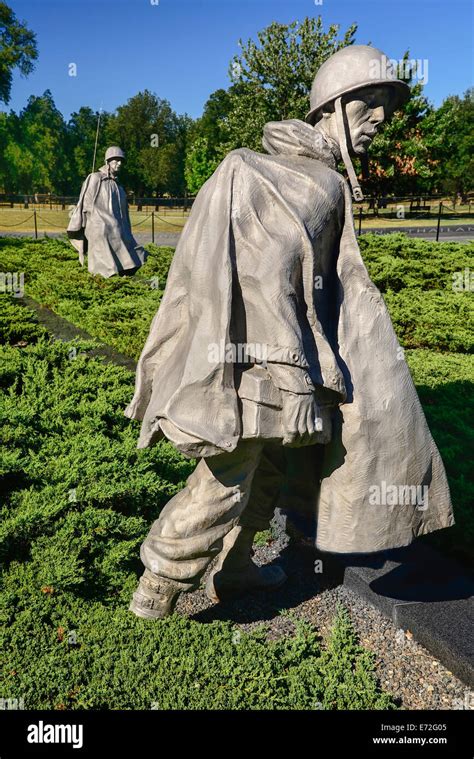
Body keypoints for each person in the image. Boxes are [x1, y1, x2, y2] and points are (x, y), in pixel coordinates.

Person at [125, 46, 454, 620]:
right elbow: (265, 279)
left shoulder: (296, 173)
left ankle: (238, 566)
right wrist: (298, 381)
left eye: (384, 107)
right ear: (335, 105)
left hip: (272, 361)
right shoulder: (306, 182)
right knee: (228, 476)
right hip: (269, 368)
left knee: (269, 470)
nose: (381, 120)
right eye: (370, 105)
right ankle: (159, 582)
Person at [67, 146, 147, 278]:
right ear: (107, 162)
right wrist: (100, 219)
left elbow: (123, 214)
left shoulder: (118, 186)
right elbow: (86, 203)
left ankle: (127, 267)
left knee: (123, 235)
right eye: (116, 160)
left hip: (116, 226)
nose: (119, 163)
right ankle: (106, 273)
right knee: (105, 230)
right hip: (97, 224)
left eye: (121, 161)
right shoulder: (95, 178)